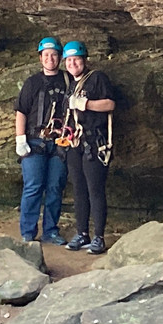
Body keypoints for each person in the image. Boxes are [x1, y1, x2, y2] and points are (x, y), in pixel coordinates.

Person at [13, 36, 71, 244]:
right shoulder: (33, 83)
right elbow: (21, 111)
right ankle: (28, 233)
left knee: (55, 187)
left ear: (60, 57)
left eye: (54, 55)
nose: (50, 59)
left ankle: (50, 231)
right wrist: (21, 140)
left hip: (60, 143)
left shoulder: (68, 80)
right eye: (46, 55)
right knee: (33, 186)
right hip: (35, 141)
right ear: (40, 58)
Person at [61, 40, 116, 255]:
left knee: (95, 189)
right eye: (69, 60)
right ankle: (82, 233)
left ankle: (99, 237)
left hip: (95, 143)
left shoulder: (97, 78)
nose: (72, 63)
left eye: (76, 59)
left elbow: (110, 104)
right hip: (75, 143)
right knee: (79, 189)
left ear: (84, 60)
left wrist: (86, 104)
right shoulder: (71, 84)